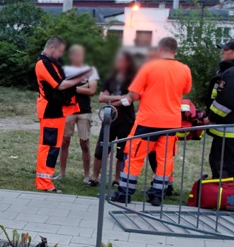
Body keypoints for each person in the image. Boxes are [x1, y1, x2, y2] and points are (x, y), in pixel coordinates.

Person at [110, 37, 192, 206]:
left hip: (148, 120)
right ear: (174, 50)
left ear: (159, 49)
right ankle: (157, 194)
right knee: (164, 159)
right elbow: (185, 90)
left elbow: (134, 95)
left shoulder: (149, 67)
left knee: (134, 156)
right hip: (171, 122)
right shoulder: (184, 69)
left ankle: (124, 193)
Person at [34, 36, 89, 192]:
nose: (60, 55)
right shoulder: (43, 63)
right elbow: (60, 85)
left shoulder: (50, 63)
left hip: (56, 110)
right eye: (59, 51)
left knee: (52, 146)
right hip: (50, 111)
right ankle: (44, 182)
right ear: (51, 48)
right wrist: (80, 77)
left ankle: (44, 180)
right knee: (49, 146)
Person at [91, 50, 137, 187]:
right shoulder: (110, 78)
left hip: (126, 119)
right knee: (102, 147)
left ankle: (118, 179)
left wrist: (110, 100)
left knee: (123, 150)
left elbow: (130, 99)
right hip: (109, 117)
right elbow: (101, 98)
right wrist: (119, 98)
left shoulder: (133, 79)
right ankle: (95, 178)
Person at [207, 39, 234, 179]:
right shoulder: (231, 71)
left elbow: (225, 103)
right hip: (226, 130)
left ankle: (231, 196)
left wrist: (210, 118)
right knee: (219, 162)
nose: (222, 52)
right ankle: (223, 193)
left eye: (226, 49)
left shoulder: (233, 73)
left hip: (230, 131)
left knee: (226, 165)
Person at [59, 44, 99, 185]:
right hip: (68, 109)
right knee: (64, 141)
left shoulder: (91, 71)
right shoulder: (65, 70)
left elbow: (92, 91)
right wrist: (83, 86)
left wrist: (72, 87)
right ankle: (62, 173)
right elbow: (60, 88)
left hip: (84, 111)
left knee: (85, 143)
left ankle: (87, 176)